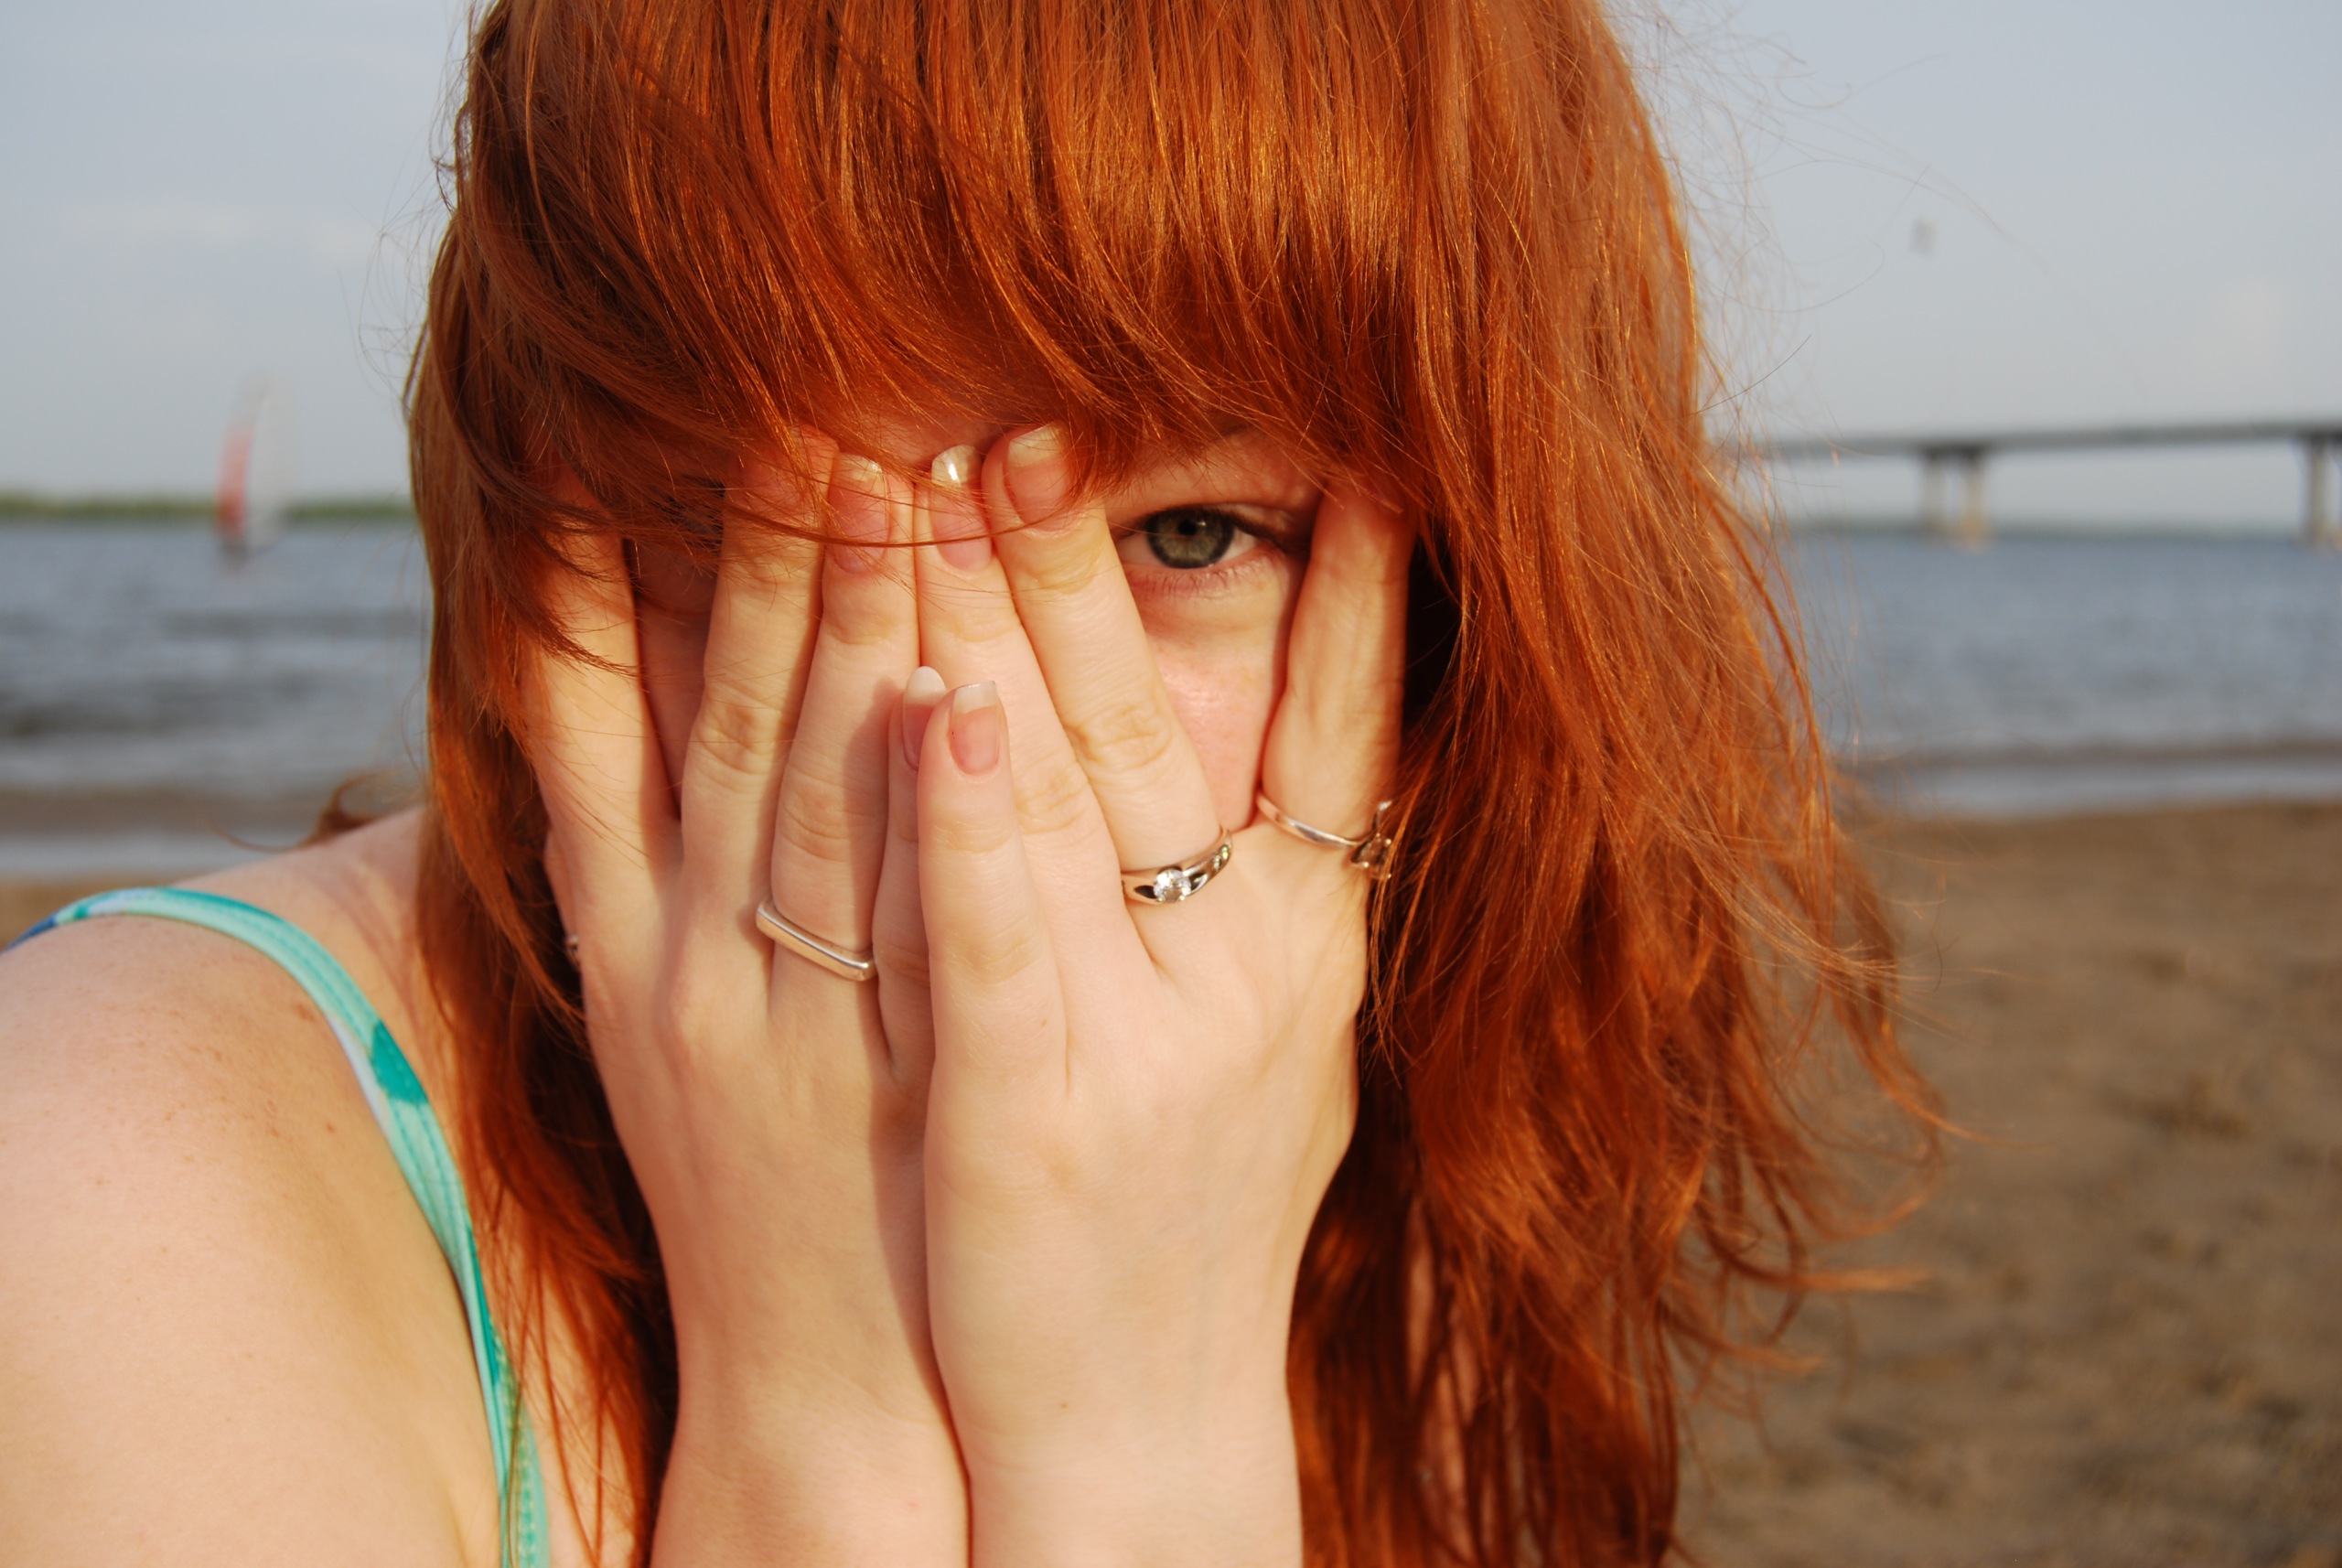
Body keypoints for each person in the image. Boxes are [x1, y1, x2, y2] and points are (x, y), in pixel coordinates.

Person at [0, 0, 1931, 1563]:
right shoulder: (104, 1193)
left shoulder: (1372, 1122)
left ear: (1462, 617)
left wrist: (1147, 1423)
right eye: (740, 536)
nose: (951, 731)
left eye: (1184, 536)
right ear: (534, 550)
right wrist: (823, 1422)